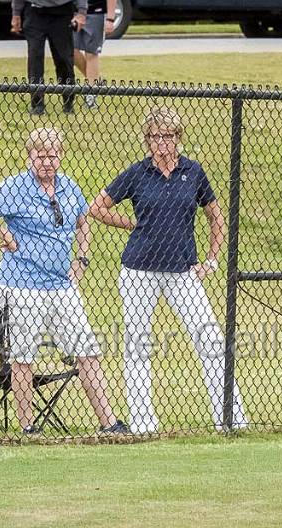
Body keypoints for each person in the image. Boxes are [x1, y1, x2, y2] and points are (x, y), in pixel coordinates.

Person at [89, 106, 248, 434]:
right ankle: (143, 424)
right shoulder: (137, 173)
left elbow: (216, 216)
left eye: (168, 136)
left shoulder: (193, 171)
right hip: (139, 271)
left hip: (183, 271)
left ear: (178, 137)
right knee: (137, 345)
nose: (162, 143)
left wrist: (212, 259)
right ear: (147, 140)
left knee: (210, 340)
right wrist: (130, 224)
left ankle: (230, 417)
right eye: (155, 137)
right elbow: (97, 208)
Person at [0, 127, 127, 435]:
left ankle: (109, 424)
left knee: (87, 350)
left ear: (60, 156)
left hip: (62, 288)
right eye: (40, 157)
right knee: (23, 356)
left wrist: (81, 260)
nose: (47, 163)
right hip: (22, 285)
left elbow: (83, 225)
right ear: (29, 158)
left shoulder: (69, 187)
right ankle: (28, 428)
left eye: (52, 156)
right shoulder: (16, 187)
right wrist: (4, 235)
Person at [11, 0, 87, 115]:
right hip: (34, 12)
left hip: (62, 12)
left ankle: (68, 102)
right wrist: (16, 14)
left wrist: (82, 12)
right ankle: (37, 105)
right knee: (35, 57)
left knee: (64, 58)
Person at [72, 0, 116, 109]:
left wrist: (110, 19)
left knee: (91, 53)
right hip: (75, 11)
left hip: (97, 12)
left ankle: (91, 95)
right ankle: (97, 80)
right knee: (70, 51)